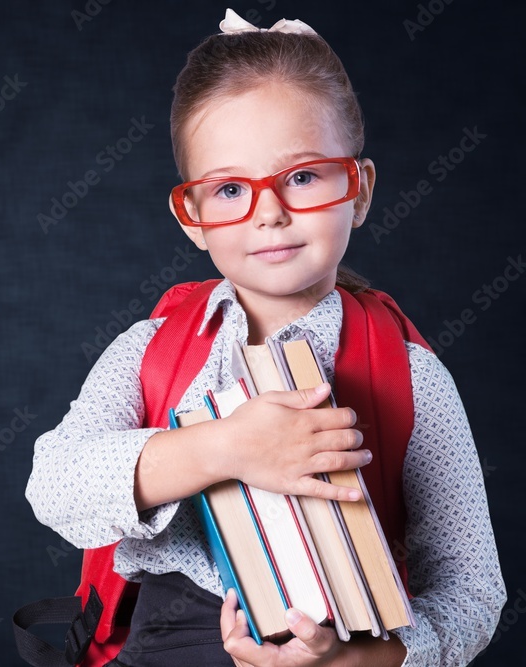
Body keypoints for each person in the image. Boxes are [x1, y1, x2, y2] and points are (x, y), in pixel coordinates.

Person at [25, 8, 505, 667]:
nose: (270, 212)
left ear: (358, 189)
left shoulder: (412, 376)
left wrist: (357, 661)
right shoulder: (151, 350)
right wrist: (225, 447)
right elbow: (52, 484)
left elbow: (472, 587)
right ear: (191, 216)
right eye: (228, 189)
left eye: (302, 177)